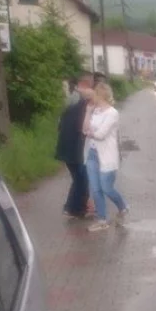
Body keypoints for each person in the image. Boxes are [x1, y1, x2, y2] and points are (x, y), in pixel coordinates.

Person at [84, 82, 128, 232]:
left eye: (94, 94)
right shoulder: (95, 111)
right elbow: (85, 129)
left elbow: (101, 134)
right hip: (92, 154)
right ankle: (102, 220)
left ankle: (123, 206)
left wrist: (91, 132)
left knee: (106, 188)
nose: (92, 97)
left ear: (100, 95)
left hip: (107, 156)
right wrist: (88, 112)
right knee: (96, 189)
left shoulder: (112, 113)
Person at [56, 73, 92, 219]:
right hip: (75, 149)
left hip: (67, 147)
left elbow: (60, 124)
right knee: (81, 180)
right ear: (86, 85)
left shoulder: (71, 99)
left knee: (79, 179)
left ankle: (76, 208)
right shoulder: (81, 102)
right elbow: (83, 128)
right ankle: (74, 209)